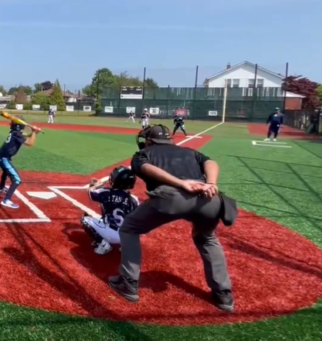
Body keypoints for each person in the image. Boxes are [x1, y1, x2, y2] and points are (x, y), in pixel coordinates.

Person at [108, 124, 235, 313]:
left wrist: (180, 183)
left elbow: (146, 168)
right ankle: (223, 294)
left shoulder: (143, 154)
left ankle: (128, 282)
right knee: (206, 238)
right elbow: (211, 162)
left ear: (149, 141)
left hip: (172, 198)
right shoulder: (190, 152)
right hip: (208, 198)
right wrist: (211, 183)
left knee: (129, 228)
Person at [81, 166, 140, 255]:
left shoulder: (106, 192)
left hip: (111, 234)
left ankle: (103, 245)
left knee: (85, 220)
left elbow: (90, 192)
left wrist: (96, 185)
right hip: (127, 236)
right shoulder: (134, 199)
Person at [0, 117, 40, 209]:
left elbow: (26, 135)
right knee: (17, 180)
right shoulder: (17, 134)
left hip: (0, 157)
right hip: (4, 158)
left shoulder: (14, 132)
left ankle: (1, 186)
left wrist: (34, 132)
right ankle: (6, 200)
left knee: (6, 171)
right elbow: (30, 143)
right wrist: (34, 132)